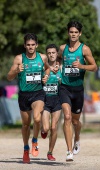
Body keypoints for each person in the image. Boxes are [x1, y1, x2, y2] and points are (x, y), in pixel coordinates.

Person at [7, 33, 50, 164]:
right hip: (24, 95)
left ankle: (35, 141)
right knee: (26, 124)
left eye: (33, 45)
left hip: (38, 93)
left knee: (37, 118)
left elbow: (47, 69)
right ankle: (26, 149)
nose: (31, 47)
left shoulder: (42, 57)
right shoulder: (19, 59)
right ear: (24, 45)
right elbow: (9, 76)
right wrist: (16, 71)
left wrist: (46, 76)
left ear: (37, 45)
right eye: (28, 45)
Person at [58, 20, 97, 161]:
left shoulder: (85, 49)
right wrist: (56, 67)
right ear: (68, 32)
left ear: (79, 33)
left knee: (75, 122)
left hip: (78, 90)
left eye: (76, 32)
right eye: (71, 32)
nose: (73, 34)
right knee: (67, 117)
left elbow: (94, 67)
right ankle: (69, 151)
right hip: (64, 88)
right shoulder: (63, 49)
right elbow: (55, 59)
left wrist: (81, 66)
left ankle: (77, 138)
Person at [41, 44, 62, 161]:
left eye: (53, 53)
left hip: (57, 101)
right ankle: (42, 129)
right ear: (47, 55)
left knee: (54, 127)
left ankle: (50, 152)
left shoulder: (61, 68)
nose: (51, 55)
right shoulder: (43, 68)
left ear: (56, 54)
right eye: (49, 53)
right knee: (46, 128)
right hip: (45, 101)